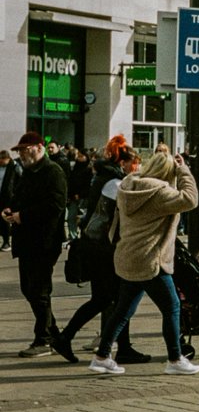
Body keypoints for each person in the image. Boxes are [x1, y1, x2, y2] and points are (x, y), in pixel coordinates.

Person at [88, 151, 199, 376]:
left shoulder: (128, 185)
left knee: (122, 310)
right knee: (172, 307)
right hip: (150, 259)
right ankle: (175, 358)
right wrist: (184, 170)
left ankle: (101, 356)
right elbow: (191, 199)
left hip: (128, 256)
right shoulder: (159, 193)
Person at [52, 138, 150, 365]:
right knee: (114, 298)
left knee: (106, 299)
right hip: (102, 250)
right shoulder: (114, 184)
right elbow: (128, 210)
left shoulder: (106, 178)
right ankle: (71, 338)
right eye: (133, 163)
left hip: (96, 248)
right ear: (123, 162)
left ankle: (70, 338)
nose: (135, 167)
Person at [5, 132, 68, 358]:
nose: (22, 154)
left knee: (39, 290)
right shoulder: (29, 172)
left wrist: (24, 216)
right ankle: (54, 335)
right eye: (19, 150)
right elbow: (19, 197)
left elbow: (56, 204)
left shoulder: (52, 172)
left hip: (44, 241)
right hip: (27, 241)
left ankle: (45, 339)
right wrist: (11, 210)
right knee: (29, 288)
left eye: (25, 149)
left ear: (40, 147)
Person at [66, 148, 92, 240]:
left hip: (83, 198)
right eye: (78, 156)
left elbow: (89, 185)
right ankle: (73, 237)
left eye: (81, 156)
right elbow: (70, 181)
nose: (79, 158)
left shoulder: (89, 170)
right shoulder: (74, 168)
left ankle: (84, 237)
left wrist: (81, 194)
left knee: (82, 219)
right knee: (71, 218)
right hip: (73, 197)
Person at [0, 148, 23, 252]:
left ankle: (6, 241)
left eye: (2, 160)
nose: (1, 162)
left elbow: (21, 180)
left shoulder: (15, 166)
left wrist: (15, 194)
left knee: (6, 219)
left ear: (7, 159)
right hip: (0, 195)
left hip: (9, 197)